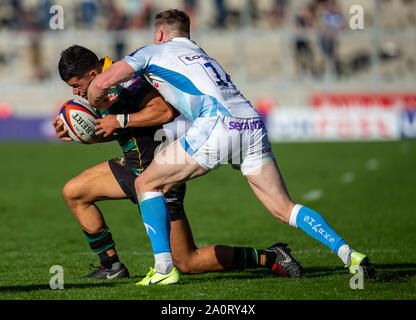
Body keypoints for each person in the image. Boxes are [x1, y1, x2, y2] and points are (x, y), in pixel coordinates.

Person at [87, 9, 375, 286]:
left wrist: (96, 106)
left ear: (160, 33)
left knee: (146, 183)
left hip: (216, 125)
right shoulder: (202, 53)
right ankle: (348, 253)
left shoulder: (153, 51)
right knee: (284, 208)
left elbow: (102, 81)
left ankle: (164, 269)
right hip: (251, 123)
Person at [53, 45, 303, 281]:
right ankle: (111, 267)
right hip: (132, 167)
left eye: (76, 85)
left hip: (160, 174)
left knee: (187, 262)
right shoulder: (104, 87)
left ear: (94, 74)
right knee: (74, 192)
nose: (75, 92)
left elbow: (164, 111)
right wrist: (80, 136)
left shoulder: (125, 79)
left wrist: (120, 121)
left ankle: (271, 257)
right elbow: (116, 129)